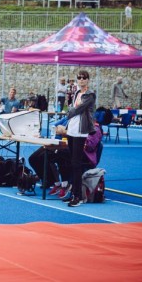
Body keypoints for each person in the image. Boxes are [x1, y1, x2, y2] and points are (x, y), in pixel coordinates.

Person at [64, 69, 96, 207]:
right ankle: (73, 192)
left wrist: (68, 111)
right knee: (72, 162)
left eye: (84, 78)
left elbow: (77, 109)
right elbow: (72, 107)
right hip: (71, 129)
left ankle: (78, 196)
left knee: (76, 164)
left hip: (80, 131)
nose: (81, 80)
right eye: (79, 78)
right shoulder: (77, 92)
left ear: (88, 80)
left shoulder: (90, 95)